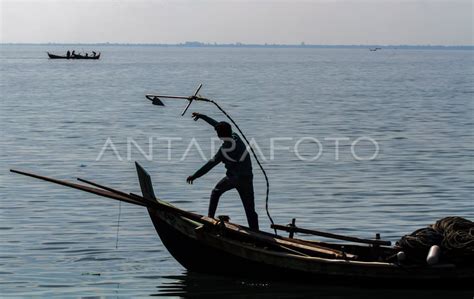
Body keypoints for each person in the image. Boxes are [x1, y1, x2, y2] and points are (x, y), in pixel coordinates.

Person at [187, 112, 259, 230]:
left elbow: (210, 165)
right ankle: (256, 233)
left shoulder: (224, 150)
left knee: (216, 192)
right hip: (247, 178)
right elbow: (216, 124)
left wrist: (195, 176)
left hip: (233, 178)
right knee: (250, 209)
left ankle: (209, 220)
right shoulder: (236, 136)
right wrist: (202, 116)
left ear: (220, 136)